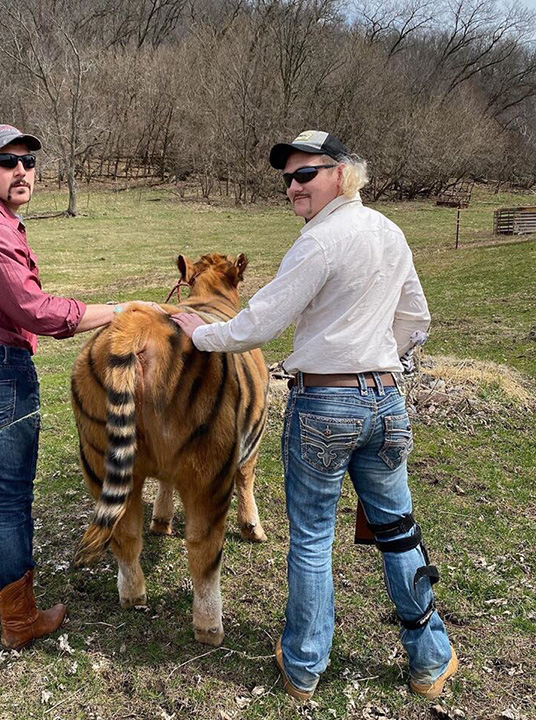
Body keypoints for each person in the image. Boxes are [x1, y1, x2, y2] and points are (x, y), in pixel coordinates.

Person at [172, 130, 457, 700]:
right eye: (288, 178)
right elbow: (416, 318)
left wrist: (200, 333)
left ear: (342, 174)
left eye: (306, 174)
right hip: (386, 399)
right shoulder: (389, 231)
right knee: (398, 529)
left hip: (324, 404)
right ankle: (429, 658)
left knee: (311, 538)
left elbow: (259, 322)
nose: (293, 186)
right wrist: (377, 358)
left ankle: (304, 665)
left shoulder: (319, 241)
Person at [0, 123, 156, 650]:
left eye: (27, 161)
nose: (21, 170)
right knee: (7, 502)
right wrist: (120, 310)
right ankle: (19, 621)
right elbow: (37, 312)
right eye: (6, 162)